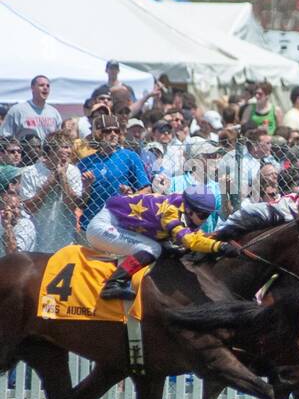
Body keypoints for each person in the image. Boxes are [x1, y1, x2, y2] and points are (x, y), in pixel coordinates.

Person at [89, 187, 234, 301]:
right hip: (103, 227)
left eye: (207, 215)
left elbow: (196, 236)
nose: (205, 220)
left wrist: (219, 243)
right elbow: (190, 240)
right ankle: (114, 283)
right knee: (153, 248)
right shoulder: (171, 211)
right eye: (203, 215)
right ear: (189, 210)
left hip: (117, 224)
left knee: (167, 248)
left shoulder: (181, 206)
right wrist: (219, 247)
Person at [77, 114, 150, 220]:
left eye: (116, 131)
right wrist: (86, 187)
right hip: (90, 221)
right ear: (98, 134)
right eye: (108, 131)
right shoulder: (85, 162)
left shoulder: (129, 156)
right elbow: (80, 204)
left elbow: (146, 189)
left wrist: (130, 196)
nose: (113, 134)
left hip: (119, 222)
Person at [20, 131, 83, 252]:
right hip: (38, 238)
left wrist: (63, 177)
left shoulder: (73, 171)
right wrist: (51, 181)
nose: (69, 151)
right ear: (51, 150)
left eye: (69, 147)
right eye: (64, 147)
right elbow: (29, 208)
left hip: (65, 239)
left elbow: (72, 205)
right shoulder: (31, 172)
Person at [0, 76, 63, 141]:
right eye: (41, 85)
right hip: (24, 150)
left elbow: (59, 138)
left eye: (48, 86)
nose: (45, 88)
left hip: (47, 150)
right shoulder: (17, 110)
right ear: (32, 88)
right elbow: (4, 136)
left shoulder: (54, 113)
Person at [0, 164, 34, 255]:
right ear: (11, 186)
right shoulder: (24, 222)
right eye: (20, 182)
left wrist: (8, 226)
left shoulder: (24, 223)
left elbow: (14, 258)